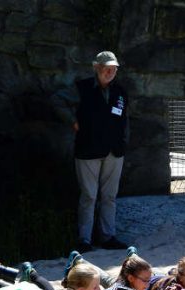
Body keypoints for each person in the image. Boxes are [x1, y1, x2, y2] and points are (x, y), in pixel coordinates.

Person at [73, 50, 129, 252]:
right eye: (106, 68)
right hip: (88, 150)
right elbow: (57, 101)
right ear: (96, 67)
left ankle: (108, 236)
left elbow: (124, 120)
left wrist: (123, 141)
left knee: (110, 196)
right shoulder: (82, 88)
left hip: (114, 151)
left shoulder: (120, 91)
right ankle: (84, 239)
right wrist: (72, 121)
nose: (110, 72)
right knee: (89, 195)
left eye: (113, 69)